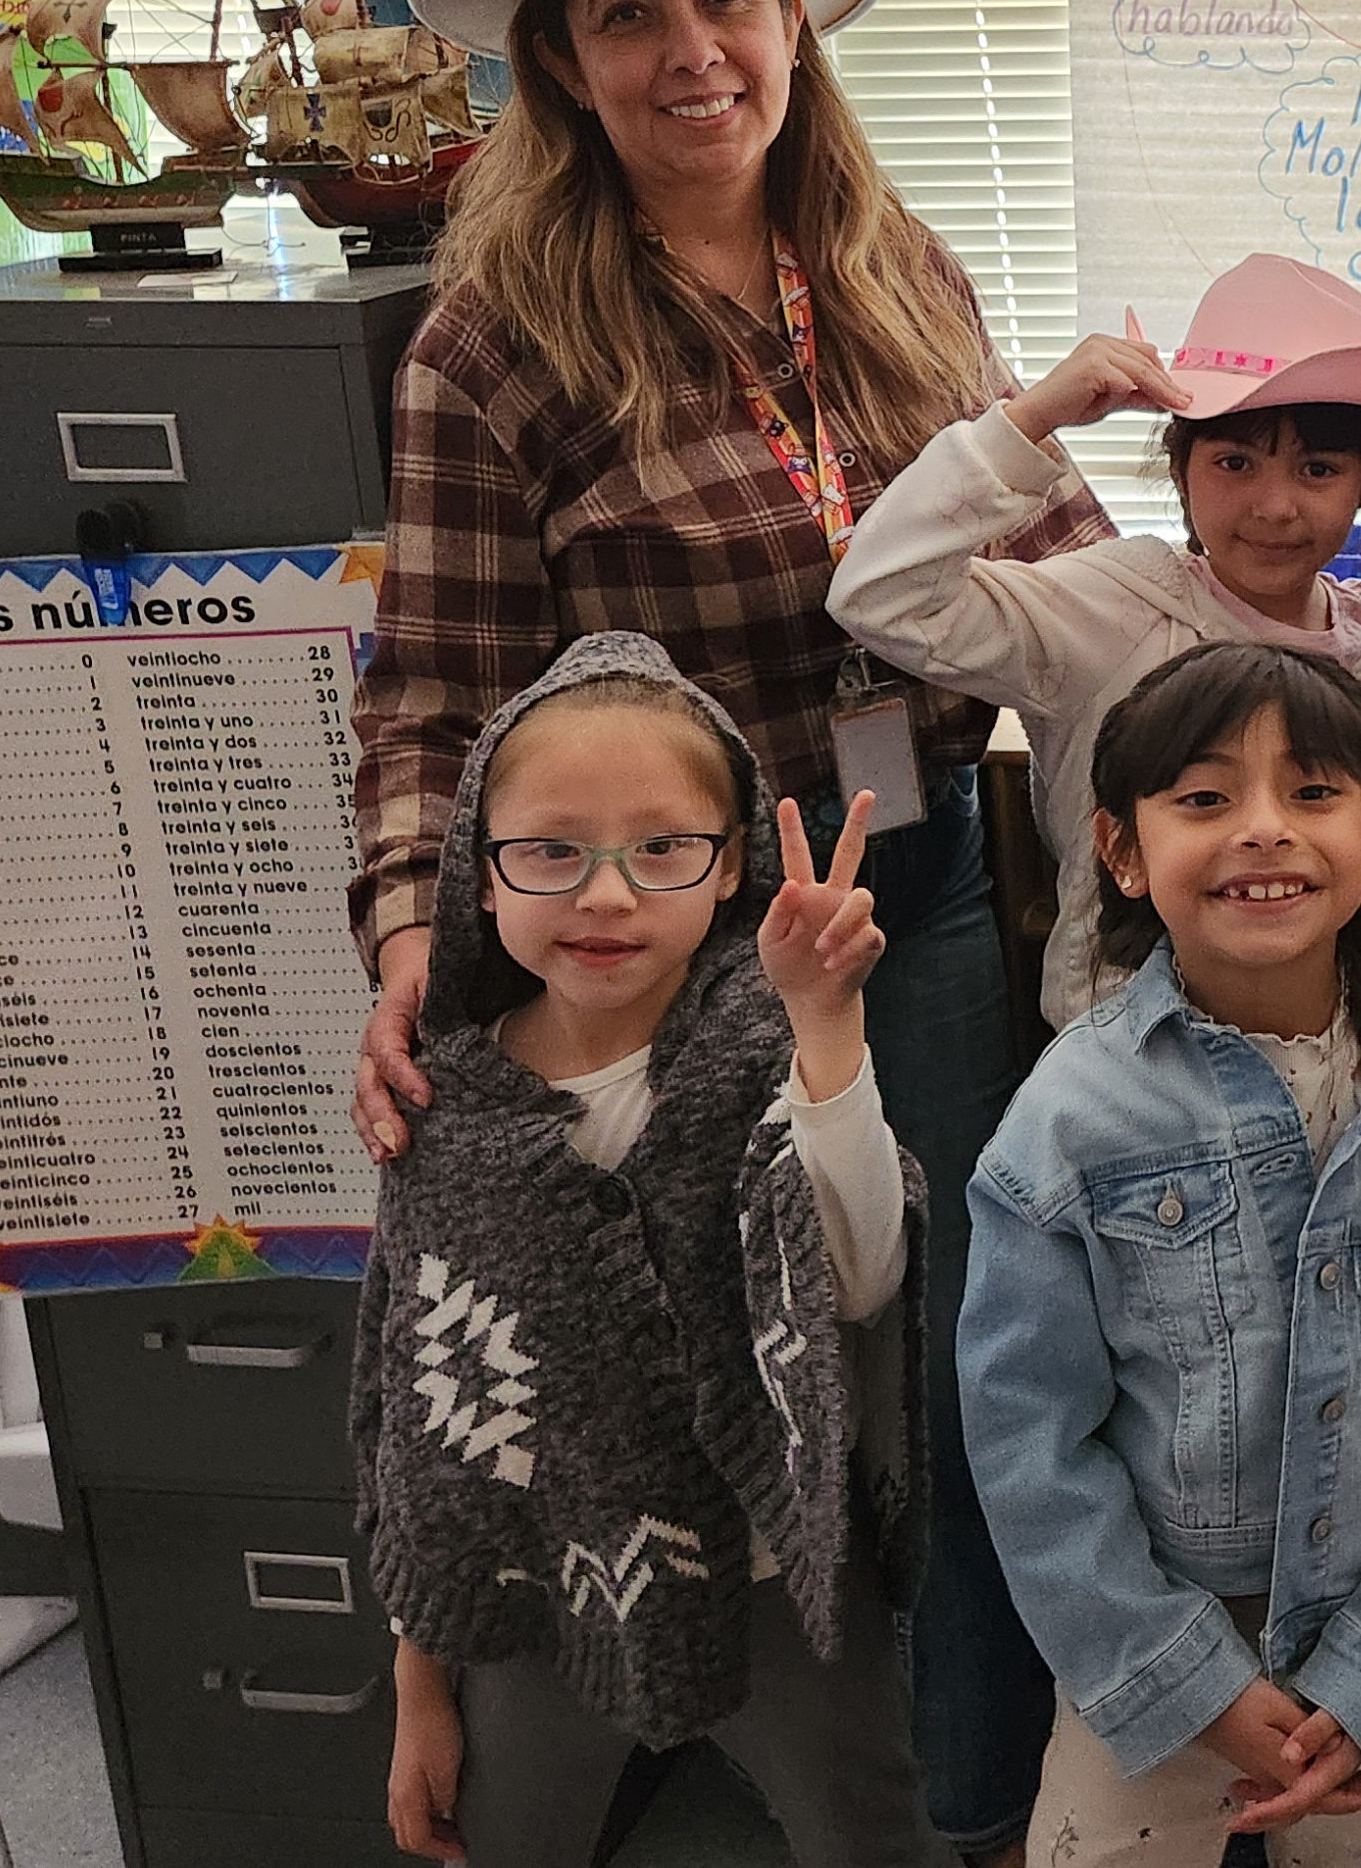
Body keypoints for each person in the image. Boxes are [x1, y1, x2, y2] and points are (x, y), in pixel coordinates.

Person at [353, 0, 1105, 1864]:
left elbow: (1047, 547)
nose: (688, 50)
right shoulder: (495, 337)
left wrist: (1233, 644)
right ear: (561, 64)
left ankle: (942, 1802)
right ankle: (684, 1727)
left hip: (920, 889)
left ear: (788, 21)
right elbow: (434, 682)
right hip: (662, 938)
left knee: (940, 1366)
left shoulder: (889, 267)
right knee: (712, 1354)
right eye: (625, 13)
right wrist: (414, 944)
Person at [960, 643, 1361, 1867]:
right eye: (1202, 797)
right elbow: (1025, 1432)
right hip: (1142, 1636)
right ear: (1122, 848)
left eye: (1312, 792)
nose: (1262, 831)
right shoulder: (1069, 1115)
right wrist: (1173, 1672)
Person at [355, 633, 936, 1868]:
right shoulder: (448, 1110)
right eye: (549, 850)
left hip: (778, 1569)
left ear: (727, 868)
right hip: (536, 1585)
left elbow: (861, 1275)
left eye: (662, 847)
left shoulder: (765, 1043)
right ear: (481, 874)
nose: (604, 894)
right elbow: (423, 1428)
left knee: (871, 1836)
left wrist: (826, 1027)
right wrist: (420, 1681)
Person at [828, 253, 1361, 1028]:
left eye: (1318, 469)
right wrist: (1030, 420)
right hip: (1131, 1063)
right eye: (1234, 462)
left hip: (1343, 1058)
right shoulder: (1115, 608)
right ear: (1181, 471)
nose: (1275, 506)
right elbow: (880, 594)